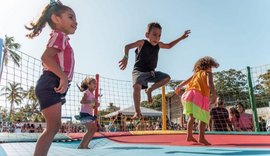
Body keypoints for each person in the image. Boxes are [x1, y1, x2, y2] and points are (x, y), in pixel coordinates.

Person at [25, 1, 77, 155]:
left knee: (53, 127)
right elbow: (46, 57)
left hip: (54, 84)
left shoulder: (63, 39)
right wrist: (62, 76)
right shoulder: (59, 36)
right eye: (71, 17)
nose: (75, 21)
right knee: (52, 127)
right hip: (51, 82)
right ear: (56, 18)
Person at [119, 22, 191, 119]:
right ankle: (137, 111)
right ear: (147, 35)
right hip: (139, 72)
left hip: (151, 72)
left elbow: (169, 46)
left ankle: (150, 89)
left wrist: (181, 37)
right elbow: (127, 46)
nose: (157, 38)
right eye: (154, 34)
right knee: (137, 87)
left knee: (167, 78)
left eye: (159, 35)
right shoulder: (142, 42)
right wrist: (126, 57)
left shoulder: (159, 45)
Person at [175, 56, 219, 145]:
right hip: (199, 95)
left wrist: (179, 86)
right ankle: (201, 138)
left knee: (192, 117)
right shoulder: (208, 73)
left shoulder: (196, 73)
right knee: (203, 117)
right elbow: (210, 83)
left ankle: (189, 135)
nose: (211, 69)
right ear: (208, 66)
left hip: (188, 95)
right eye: (211, 67)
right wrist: (214, 95)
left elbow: (186, 81)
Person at [76, 77, 98, 149]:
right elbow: (82, 101)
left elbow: (93, 106)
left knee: (93, 129)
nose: (95, 84)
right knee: (90, 129)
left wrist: (96, 105)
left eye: (96, 83)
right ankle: (82, 145)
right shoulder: (87, 92)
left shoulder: (92, 94)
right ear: (88, 85)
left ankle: (85, 145)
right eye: (93, 83)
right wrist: (91, 102)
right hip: (84, 114)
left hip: (89, 114)